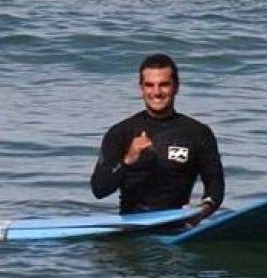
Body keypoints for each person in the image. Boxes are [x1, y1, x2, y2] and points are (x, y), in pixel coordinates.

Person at [90, 53, 225, 225]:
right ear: (141, 89)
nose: (156, 92)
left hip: (176, 226)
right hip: (131, 228)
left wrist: (202, 211)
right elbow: (99, 189)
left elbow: (215, 184)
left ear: (176, 87)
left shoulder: (198, 133)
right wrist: (128, 160)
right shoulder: (120, 132)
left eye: (164, 85)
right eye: (149, 85)